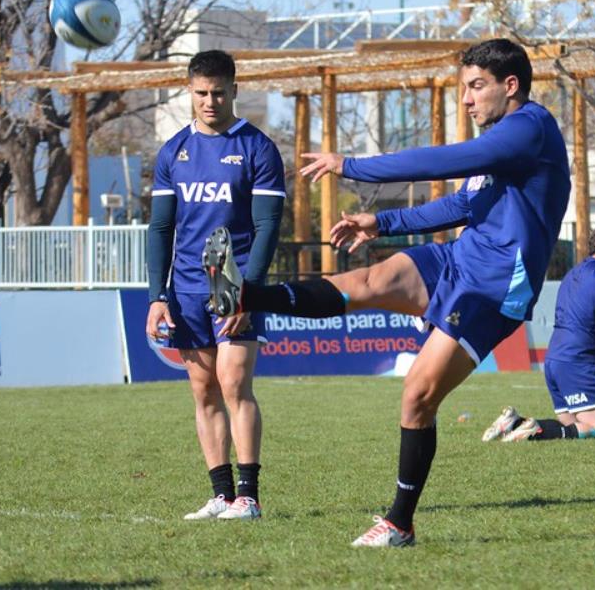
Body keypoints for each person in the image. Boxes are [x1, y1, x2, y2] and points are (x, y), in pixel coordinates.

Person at [203, 38, 570, 547]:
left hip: (493, 287)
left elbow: (442, 161)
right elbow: (460, 206)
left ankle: (400, 523)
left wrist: (351, 165)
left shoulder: (529, 128)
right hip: (459, 259)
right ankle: (247, 297)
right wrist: (384, 222)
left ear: (511, 86)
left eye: (475, 86)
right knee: (366, 282)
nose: (466, 99)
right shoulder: (503, 139)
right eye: (464, 88)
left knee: (416, 396)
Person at [145, 50, 286, 521]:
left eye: (219, 93)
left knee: (234, 384)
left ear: (234, 91)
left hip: (234, 286)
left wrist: (249, 292)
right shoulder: (174, 152)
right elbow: (160, 228)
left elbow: (267, 226)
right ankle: (221, 495)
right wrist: (156, 296)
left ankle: (249, 496)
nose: (210, 101)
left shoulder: (258, 148)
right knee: (203, 391)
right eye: (202, 93)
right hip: (185, 290)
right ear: (190, 91)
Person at [481, 222, 595, 443]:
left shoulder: (574, 273)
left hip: (555, 362)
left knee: (573, 430)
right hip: (579, 362)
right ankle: (532, 428)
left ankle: (515, 423)